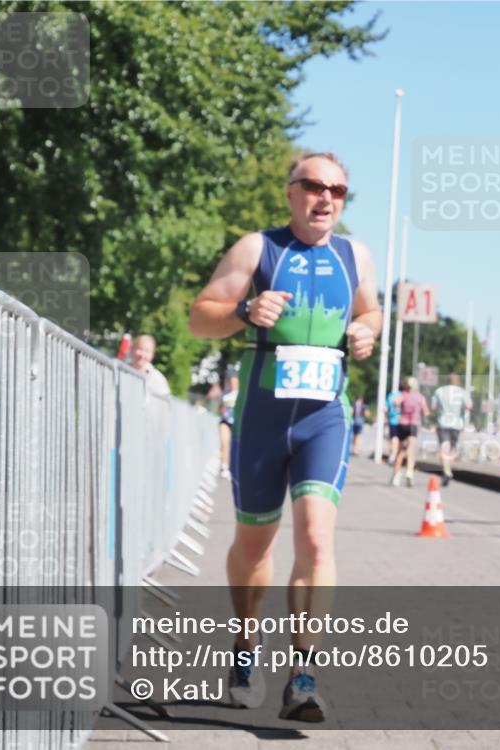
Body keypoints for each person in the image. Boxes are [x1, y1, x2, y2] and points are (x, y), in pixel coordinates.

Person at [188, 151, 381, 721]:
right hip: (262, 415)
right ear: (291, 191)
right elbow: (200, 317)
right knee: (255, 544)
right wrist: (245, 311)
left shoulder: (354, 255)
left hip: (325, 416)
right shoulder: (258, 248)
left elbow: (371, 312)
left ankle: (304, 674)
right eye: (315, 186)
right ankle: (247, 647)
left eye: (338, 190)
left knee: (317, 538)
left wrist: (365, 331)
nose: (326, 198)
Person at [432, 373, 472, 486]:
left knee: (444, 446)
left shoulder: (439, 391)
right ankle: (448, 468)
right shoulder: (462, 392)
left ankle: (447, 470)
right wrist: (460, 408)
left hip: (443, 422)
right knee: (452, 448)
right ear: (458, 381)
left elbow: (434, 407)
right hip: (457, 424)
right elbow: (469, 406)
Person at [390, 376, 429, 488]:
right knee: (411, 450)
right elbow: (426, 412)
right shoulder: (420, 397)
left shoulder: (403, 395)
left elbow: (395, 403)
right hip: (413, 425)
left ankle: (396, 476)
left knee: (400, 451)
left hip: (402, 424)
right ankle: (409, 472)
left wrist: (399, 412)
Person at [130, 334, 171, 398]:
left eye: (147, 351)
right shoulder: (121, 371)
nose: (142, 355)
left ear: (152, 355)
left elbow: (164, 403)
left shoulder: (158, 380)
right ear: (132, 349)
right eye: (140, 349)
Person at [219, 371, 239, 479]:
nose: (233, 385)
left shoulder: (241, 393)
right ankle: (224, 467)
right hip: (225, 421)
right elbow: (220, 407)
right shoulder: (225, 393)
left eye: (234, 382)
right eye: (231, 382)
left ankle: (234, 466)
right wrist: (222, 409)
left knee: (235, 444)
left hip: (237, 422)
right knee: (224, 442)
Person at [385, 387, 401, 464]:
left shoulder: (390, 396)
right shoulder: (403, 395)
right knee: (398, 439)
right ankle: (395, 455)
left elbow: (386, 408)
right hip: (402, 420)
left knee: (393, 438)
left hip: (392, 420)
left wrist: (386, 418)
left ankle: (393, 455)